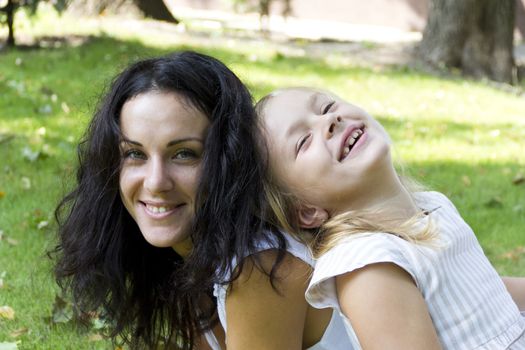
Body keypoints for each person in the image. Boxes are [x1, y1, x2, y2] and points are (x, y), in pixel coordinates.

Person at [52, 52, 352, 349]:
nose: (155, 181)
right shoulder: (194, 256)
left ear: (228, 160)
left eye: (184, 154)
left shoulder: (260, 267)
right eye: (135, 154)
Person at [255, 86, 525, 349]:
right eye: (303, 141)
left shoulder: (430, 205)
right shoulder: (367, 265)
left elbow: (481, 293)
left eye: (326, 107)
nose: (329, 120)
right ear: (307, 211)